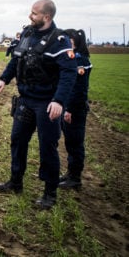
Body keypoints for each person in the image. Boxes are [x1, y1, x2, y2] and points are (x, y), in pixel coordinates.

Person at [0, 0, 77, 209]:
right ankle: (15, 181)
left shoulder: (59, 40)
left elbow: (69, 74)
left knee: (47, 146)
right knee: (17, 140)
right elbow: (16, 60)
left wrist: (59, 101)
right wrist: (3, 79)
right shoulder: (28, 34)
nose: (30, 16)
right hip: (26, 99)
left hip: (47, 103)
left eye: (34, 13)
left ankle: (50, 193)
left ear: (46, 17)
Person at [59, 28, 93, 190]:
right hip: (72, 107)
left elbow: (78, 89)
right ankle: (70, 174)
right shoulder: (76, 58)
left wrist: (69, 109)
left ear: (74, 42)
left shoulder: (80, 60)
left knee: (75, 143)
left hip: (76, 109)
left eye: (68, 41)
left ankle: (75, 179)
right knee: (71, 142)